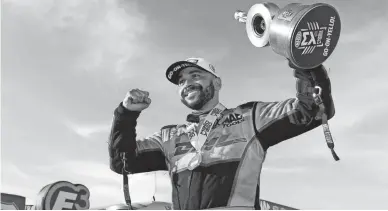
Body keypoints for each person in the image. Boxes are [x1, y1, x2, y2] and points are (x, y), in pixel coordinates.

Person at [108, 57, 335, 210]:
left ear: (217, 82)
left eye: (195, 75)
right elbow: (122, 161)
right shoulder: (168, 138)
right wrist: (126, 114)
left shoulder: (250, 117)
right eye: (181, 81)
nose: (186, 83)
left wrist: (305, 61)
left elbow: (312, 109)